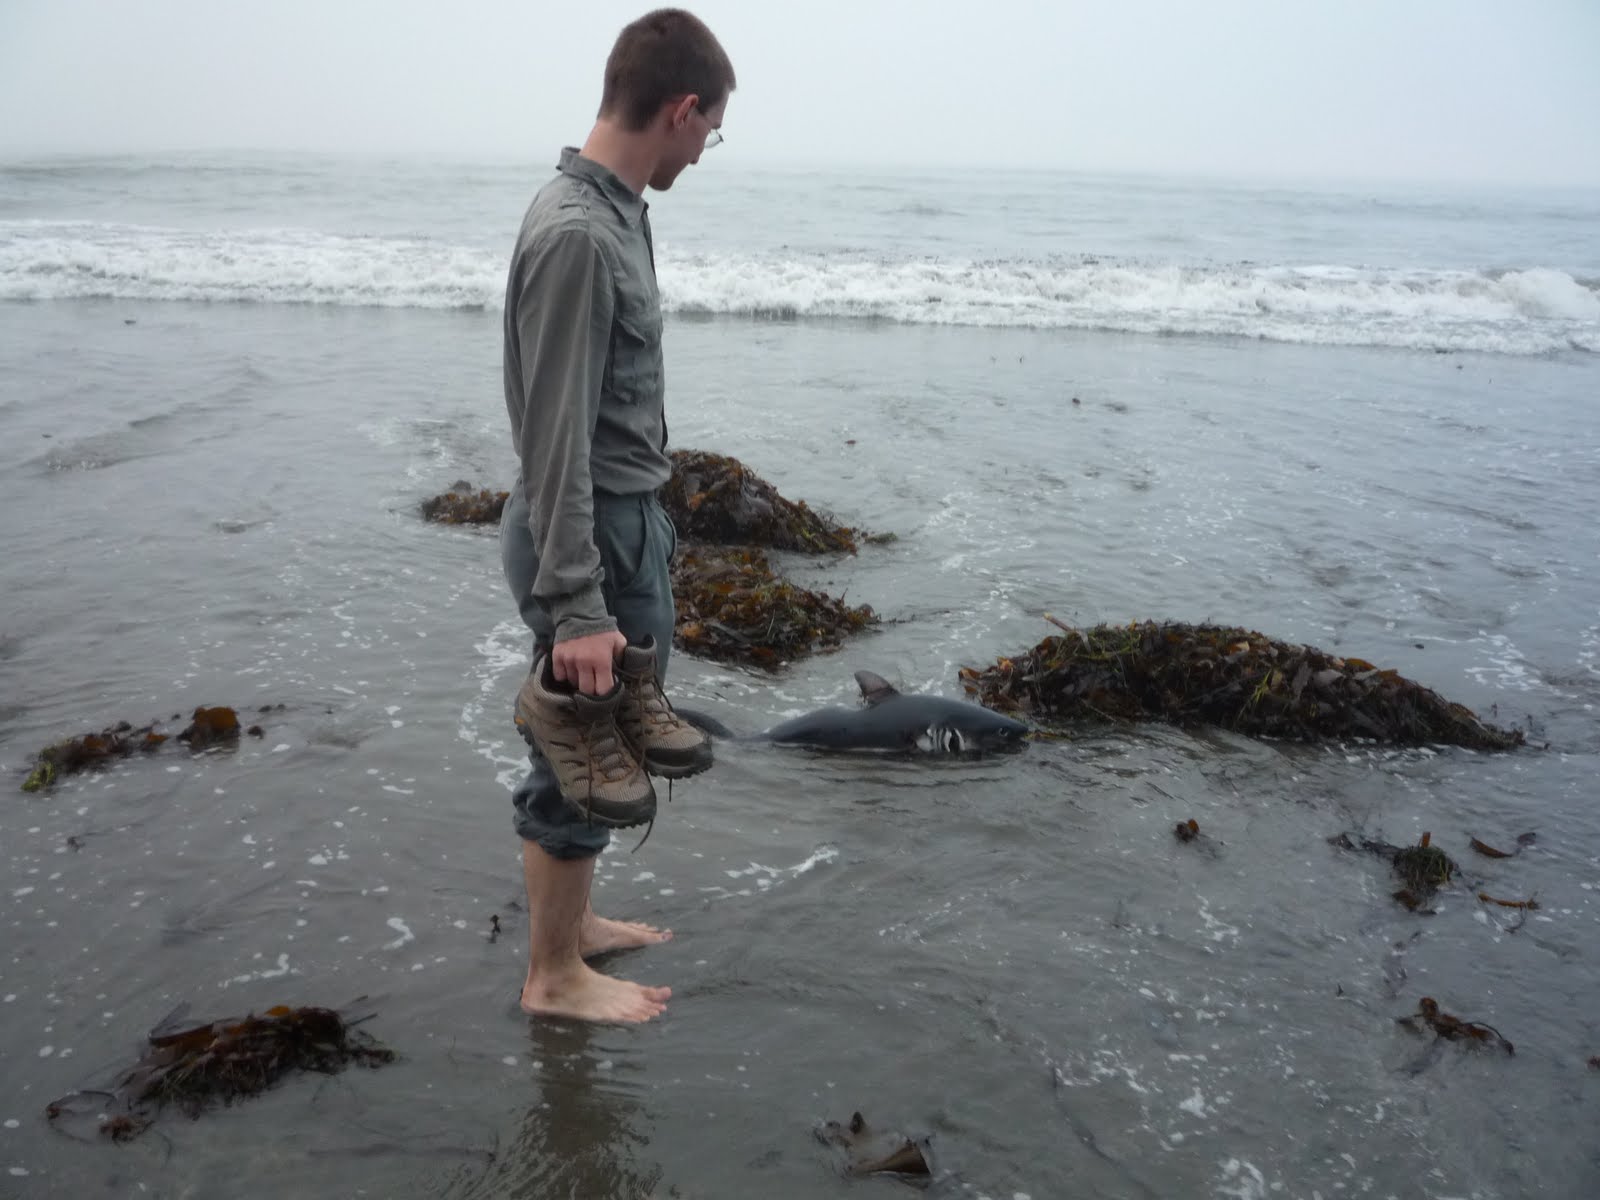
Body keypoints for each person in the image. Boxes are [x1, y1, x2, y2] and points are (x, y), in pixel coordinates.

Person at [498, 9, 735, 1025]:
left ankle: (576, 925)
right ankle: (554, 977)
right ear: (681, 109)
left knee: (607, 751)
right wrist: (579, 606)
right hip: (590, 535)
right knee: (580, 752)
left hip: (618, 523)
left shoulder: (615, 211)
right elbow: (553, 436)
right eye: (712, 127)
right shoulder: (580, 235)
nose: (708, 147)